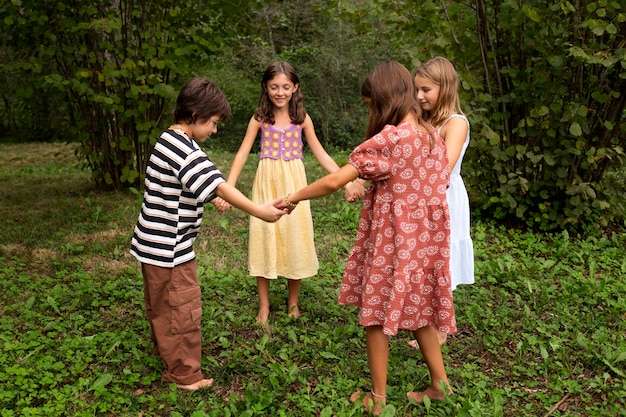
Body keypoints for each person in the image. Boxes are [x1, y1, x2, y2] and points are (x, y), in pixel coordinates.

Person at [277, 61, 456, 414]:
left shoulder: (392, 139)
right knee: (419, 312)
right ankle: (440, 385)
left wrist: (293, 197)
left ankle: (378, 399)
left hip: (393, 241)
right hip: (424, 243)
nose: (371, 111)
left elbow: (333, 181)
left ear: (384, 100)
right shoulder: (431, 135)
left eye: (371, 104)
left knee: (374, 315)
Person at [130, 77, 286, 391]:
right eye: (213, 123)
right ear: (196, 114)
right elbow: (216, 183)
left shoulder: (168, 140)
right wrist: (259, 210)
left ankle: (166, 354)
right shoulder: (185, 149)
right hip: (172, 251)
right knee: (182, 309)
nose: (214, 130)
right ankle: (185, 375)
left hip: (152, 246)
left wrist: (211, 197)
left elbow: (188, 185)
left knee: (162, 306)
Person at [213, 61, 353, 324]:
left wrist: (346, 180)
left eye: (285, 87)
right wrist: (227, 189)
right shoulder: (259, 118)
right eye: (274, 86)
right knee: (264, 236)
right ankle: (264, 306)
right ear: (266, 88)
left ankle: (293, 303)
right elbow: (242, 154)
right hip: (266, 183)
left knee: (294, 236)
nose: (280, 92)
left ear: (295, 87)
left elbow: (321, 153)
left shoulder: (302, 119)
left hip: (294, 184)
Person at [407, 56, 475, 350]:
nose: (419, 96)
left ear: (444, 87)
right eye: (417, 90)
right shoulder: (425, 119)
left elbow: (443, 167)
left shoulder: (455, 123)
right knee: (425, 259)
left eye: (426, 90)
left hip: (444, 197)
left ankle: (442, 329)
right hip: (422, 195)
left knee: (441, 260)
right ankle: (429, 322)